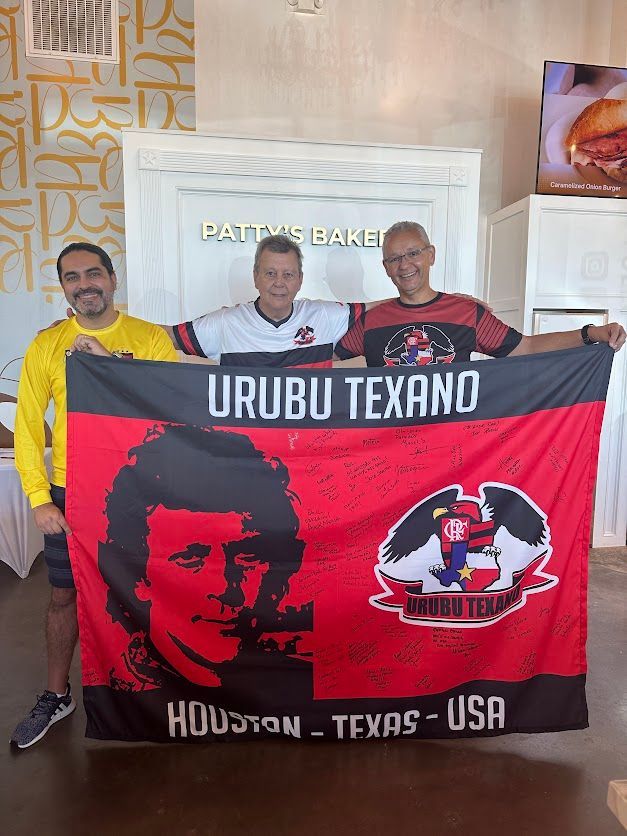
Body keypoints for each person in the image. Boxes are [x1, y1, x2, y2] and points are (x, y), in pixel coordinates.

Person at [11, 242, 178, 749]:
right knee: (64, 595)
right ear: (63, 287)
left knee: (143, 593)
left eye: (93, 273)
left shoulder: (149, 338)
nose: (84, 284)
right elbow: (26, 426)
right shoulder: (47, 344)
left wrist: (111, 366)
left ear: (112, 279)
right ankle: (56, 694)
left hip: (137, 491)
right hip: (70, 491)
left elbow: (168, 410)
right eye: (72, 277)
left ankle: (150, 693)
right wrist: (39, 497)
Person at [97, 424, 311, 692]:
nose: (226, 591)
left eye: (247, 559)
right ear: (138, 580)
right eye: (191, 561)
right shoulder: (122, 693)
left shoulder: (298, 681)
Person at [335, 221, 626, 365]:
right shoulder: (372, 321)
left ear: (431, 255)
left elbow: (526, 348)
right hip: (387, 453)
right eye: (394, 259)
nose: (404, 265)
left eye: (413, 253)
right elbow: (325, 355)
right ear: (385, 267)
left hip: (449, 450)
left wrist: (591, 334)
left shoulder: (465, 313)